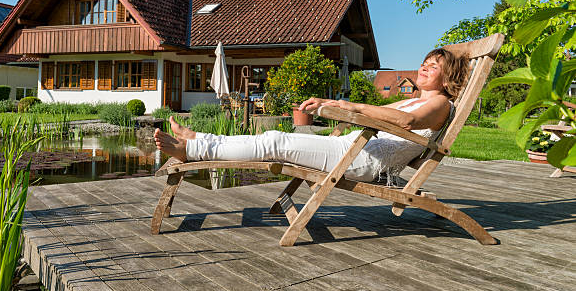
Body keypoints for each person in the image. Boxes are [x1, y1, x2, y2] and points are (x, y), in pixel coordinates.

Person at [154, 48, 469, 182]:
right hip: (350, 148)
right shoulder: (411, 100)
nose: (424, 67)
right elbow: (384, 113)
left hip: (362, 161)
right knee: (272, 138)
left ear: (448, 75)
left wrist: (353, 107)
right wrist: (335, 104)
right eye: (425, 62)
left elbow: (407, 124)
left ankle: (193, 150)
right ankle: (200, 140)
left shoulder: (440, 104)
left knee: (275, 142)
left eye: (434, 65)